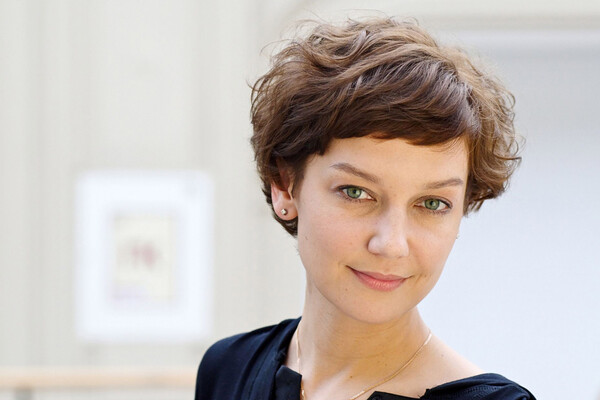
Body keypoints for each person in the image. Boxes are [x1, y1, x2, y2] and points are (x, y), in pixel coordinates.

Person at [195, 16, 536, 400]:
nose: (391, 244)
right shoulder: (228, 369)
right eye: (356, 192)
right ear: (285, 185)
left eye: (432, 203)